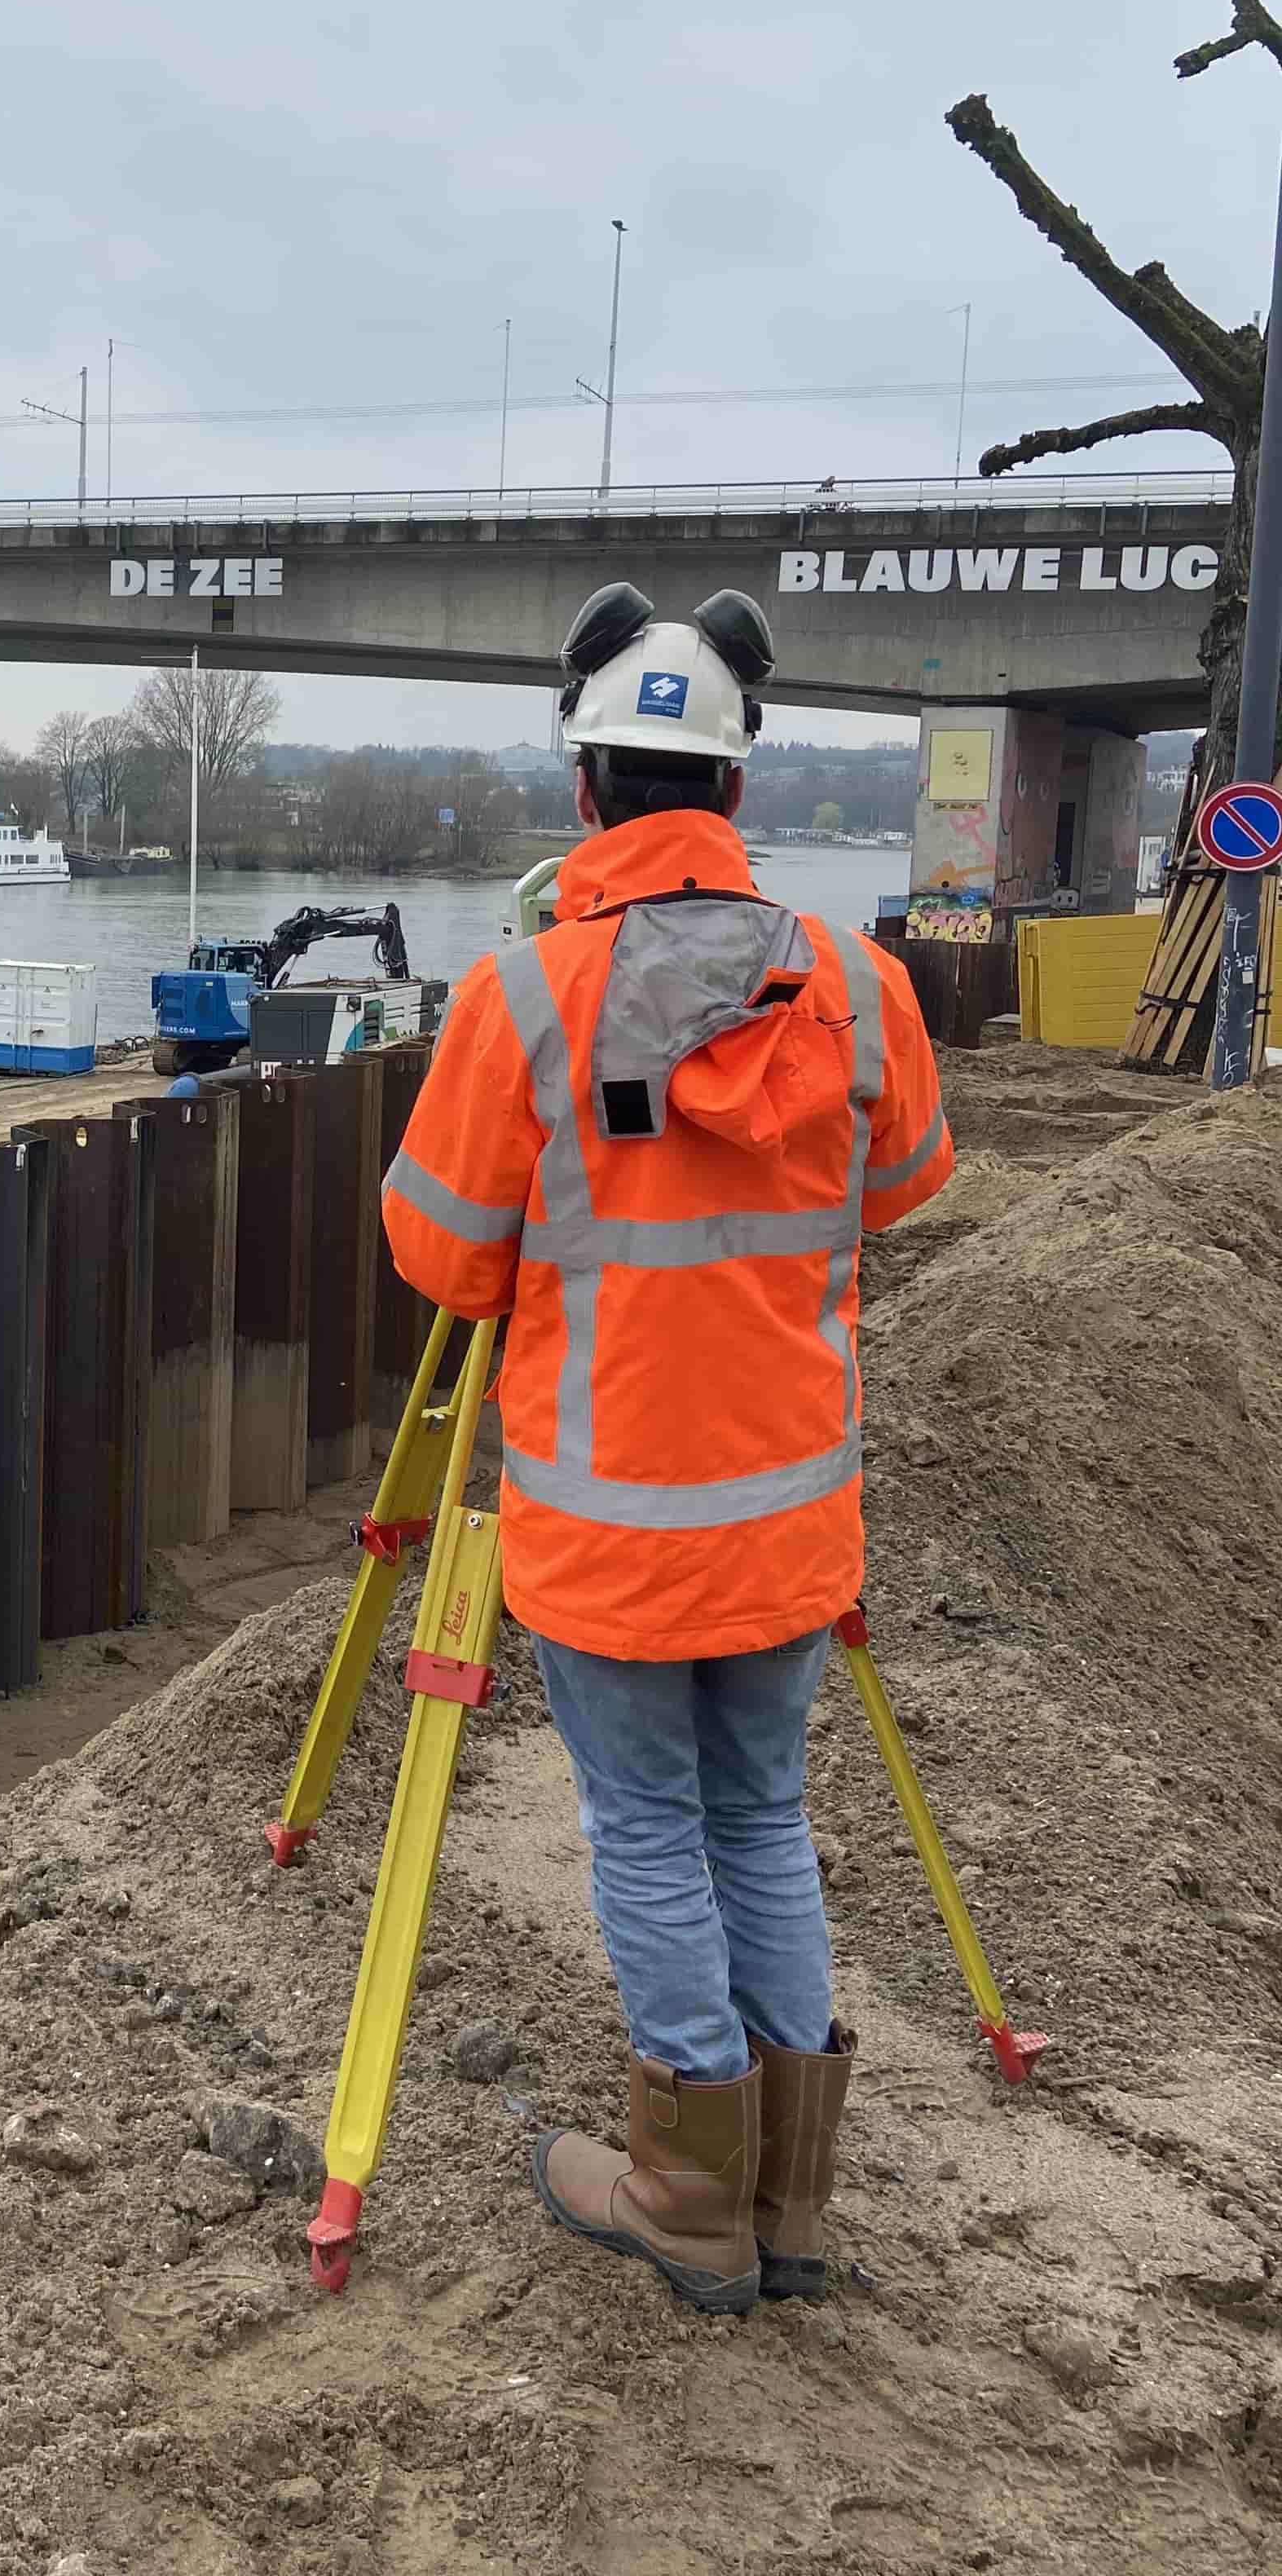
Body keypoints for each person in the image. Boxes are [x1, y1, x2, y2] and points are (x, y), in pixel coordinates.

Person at [382, 582, 952, 2315]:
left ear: (586, 796)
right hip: (787, 1517)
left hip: (608, 1528)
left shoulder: (522, 998)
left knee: (644, 1833)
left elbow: (441, 1254)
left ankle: (684, 2199)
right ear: (738, 790)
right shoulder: (859, 983)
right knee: (762, 1819)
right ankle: (787, 2202)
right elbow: (907, 1187)